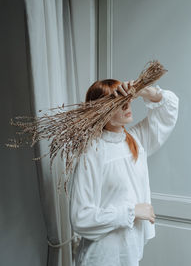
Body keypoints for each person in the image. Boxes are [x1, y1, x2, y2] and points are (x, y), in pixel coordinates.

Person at [69, 79, 179, 266]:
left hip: (130, 251)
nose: (127, 105)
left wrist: (144, 91)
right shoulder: (92, 152)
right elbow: (81, 217)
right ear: (100, 111)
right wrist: (131, 212)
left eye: (127, 99)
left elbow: (168, 111)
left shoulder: (135, 140)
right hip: (101, 256)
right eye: (118, 102)